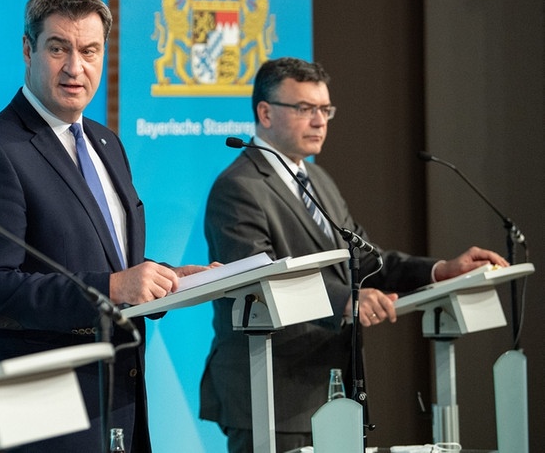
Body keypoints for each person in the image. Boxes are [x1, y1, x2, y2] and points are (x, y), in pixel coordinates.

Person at [0, 0, 209, 452]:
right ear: (28, 50)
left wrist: (164, 278)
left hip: (115, 402)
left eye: (89, 51)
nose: (75, 67)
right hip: (39, 417)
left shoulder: (107, 143)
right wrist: (112, 288)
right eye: (57, 48)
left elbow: (101, 257)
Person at [198, 57, 507, 453]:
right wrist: (347, 301)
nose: (320, 121)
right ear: (265, 112)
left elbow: (362, 259)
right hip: (274, 394)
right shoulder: (238, 188)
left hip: (333, 390)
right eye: (305, 109)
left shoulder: (316, 179)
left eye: (325, 109)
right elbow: (263, 281)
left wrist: (442, 270)